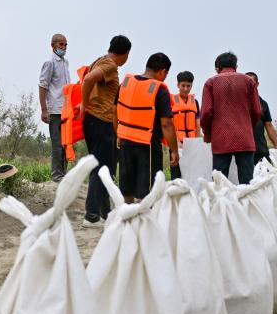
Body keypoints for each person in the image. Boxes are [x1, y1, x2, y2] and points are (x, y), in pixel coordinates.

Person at [80, 35, 131, 227]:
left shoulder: (99, 60)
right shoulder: (110, 65)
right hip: (101, 121)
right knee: (101, 168)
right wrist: (84, 105)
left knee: (105, 169)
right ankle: (91, 216)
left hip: (95, 122)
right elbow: (88, 80)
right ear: (125, 54)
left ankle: (104, 214)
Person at [116, 53, 179, 203]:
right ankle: (146, 222)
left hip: (125, 141)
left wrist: (118, 134)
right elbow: (166, 124)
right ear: (162, 71)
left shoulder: (126, 84)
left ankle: (129, 220)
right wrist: (174, 150)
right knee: (149, 190)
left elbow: (115, 111)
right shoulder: (159, 90)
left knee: (127, 187)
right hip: (148, 144)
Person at [200, 52, 262, 185]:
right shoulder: (248, 81)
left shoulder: (210, 83)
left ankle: (220, 205)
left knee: (219, 184)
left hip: (220, 138)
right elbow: (257, 111)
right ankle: (248, 206)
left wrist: (207, 132)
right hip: (244, 138)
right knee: (247, 184)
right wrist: (247, 127)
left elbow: (206, 112)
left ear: (217, 68)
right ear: (236, 66)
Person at [38, 33, 70, 182]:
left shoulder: (65, 63)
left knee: (66, 144)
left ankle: (63, 174)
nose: (63, 47)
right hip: (55, 110)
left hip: (66, 110)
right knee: (57, 144)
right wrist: (44, 109)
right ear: (53, 45)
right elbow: (43, 85)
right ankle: (56, 176)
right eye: (60, 44)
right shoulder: (49, 62)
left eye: (65, 45)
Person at [245, 72, 277, 166]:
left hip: (260, 150)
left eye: (251, 83)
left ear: (257, 84)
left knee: (266, 176)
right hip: (243, 150)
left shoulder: (263, 104)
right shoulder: (239, 103)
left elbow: (269, 125)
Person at [169, 71, 199, 180]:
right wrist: (176, 142)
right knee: (176, 174)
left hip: (191, 143)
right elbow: (170, 123)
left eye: (188, 86)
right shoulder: (171, 101)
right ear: (178, 85)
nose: (186, 89)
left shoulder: (195, 102)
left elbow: (197, 123)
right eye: (183, 86)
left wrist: (196, 142)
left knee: (191, 173)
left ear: (191, 85)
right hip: (176, 143)